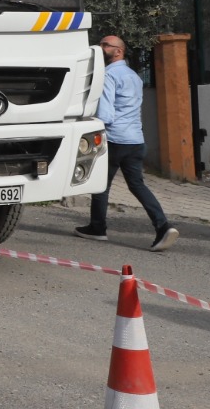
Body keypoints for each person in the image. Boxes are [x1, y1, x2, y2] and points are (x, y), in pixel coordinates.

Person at [75, 35, 178, 251]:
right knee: (137, 185)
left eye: (106, 45)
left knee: (101, 185)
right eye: (101, 43)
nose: (101, 47)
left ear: (119, 51)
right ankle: (163, 226)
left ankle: (98, 228)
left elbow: (106, 115)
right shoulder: (134, 76)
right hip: (135, 140)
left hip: (115, 139)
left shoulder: (108, 75)